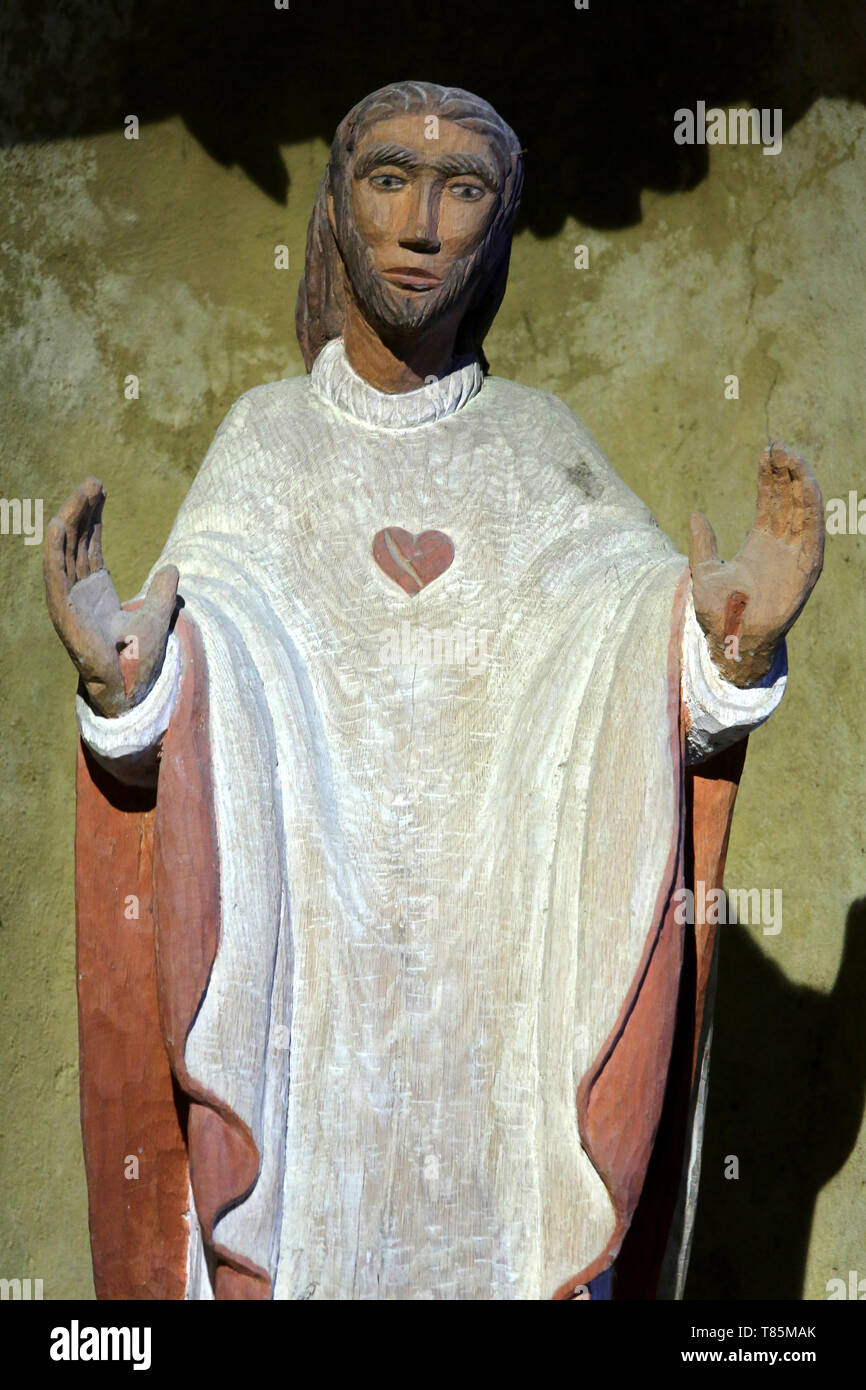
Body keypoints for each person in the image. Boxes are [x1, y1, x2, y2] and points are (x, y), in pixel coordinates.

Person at [45, 81, 823, 1300]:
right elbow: (191, 696)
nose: (419, 224)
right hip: (313, 1030)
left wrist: (723, 642)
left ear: (497, 224)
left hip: (492, 1032)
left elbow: (635, 650)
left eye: (461, 188)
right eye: (388, 180)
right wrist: (131, 678)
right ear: (337, 208)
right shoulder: (267, 445)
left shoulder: (539, 447)